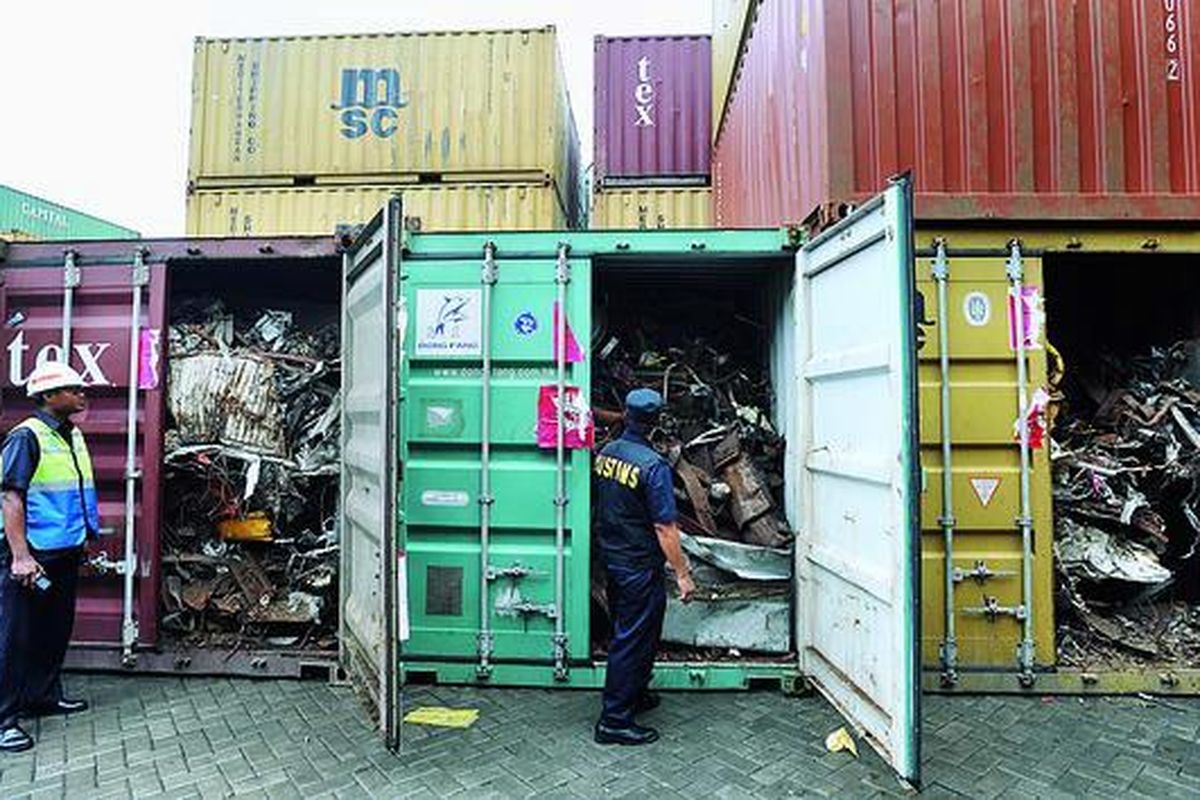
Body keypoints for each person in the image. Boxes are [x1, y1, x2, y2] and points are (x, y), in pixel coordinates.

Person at [0, 361, 98, 753]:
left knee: (53, 629)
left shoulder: (71, 435)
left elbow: (73, 492)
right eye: (72, 388)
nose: (81, 393)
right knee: (13, 636)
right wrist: (20, 555)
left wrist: (83, 541)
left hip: (64, 551)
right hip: (32, 555)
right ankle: (5, 719)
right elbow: (10, 496)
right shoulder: (27, 437)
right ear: (48, 396)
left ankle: (42, 696)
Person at [593, 388, 695, 746]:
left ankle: (634, 695)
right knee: (632, 640)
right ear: (655, 423)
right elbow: (665, 528)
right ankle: (614, 721)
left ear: (627, 415)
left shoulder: (607, 453)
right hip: (639, 565)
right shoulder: (653, 466)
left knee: (635, 633)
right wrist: (682, 573)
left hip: (614, 559)